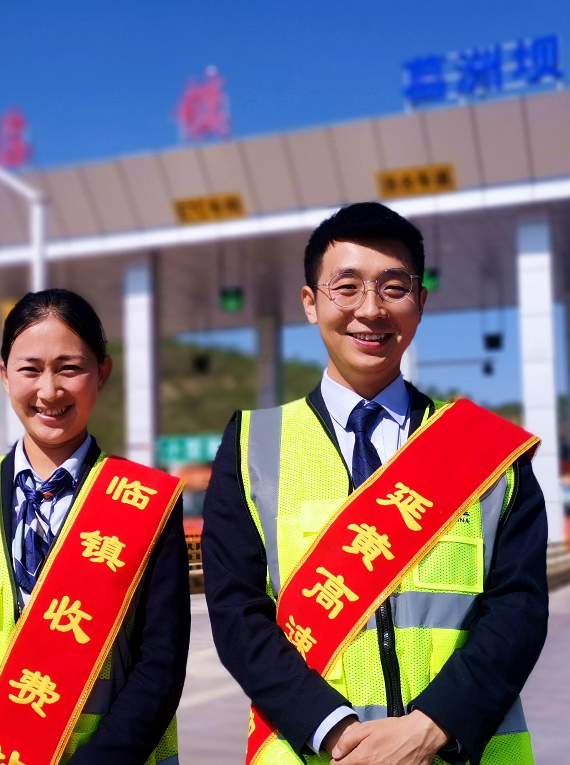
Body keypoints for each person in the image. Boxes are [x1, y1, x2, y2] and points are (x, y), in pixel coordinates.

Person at [203, 203, 548, 765]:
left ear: (420, 302)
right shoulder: (251, 445)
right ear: (311, 302)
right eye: (347, 287)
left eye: (393, 287)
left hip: (457, 751)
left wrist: (430, 730)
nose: (370, 309)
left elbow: (519, 608)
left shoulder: (489, 451)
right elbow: (236, 611)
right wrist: (335, 732)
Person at [0, 289, 190, 765]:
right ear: (4, 375)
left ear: (102, 373)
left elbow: (161, 664)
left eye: (69, 368)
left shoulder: (148, 503)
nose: (49, 391)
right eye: (30, 370)